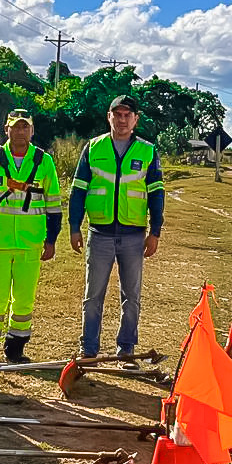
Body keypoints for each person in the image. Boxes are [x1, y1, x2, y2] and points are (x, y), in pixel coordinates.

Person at [69, 94, 165, 359]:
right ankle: (88, 350)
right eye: (117, 114)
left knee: (131, 298)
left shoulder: (147, 151)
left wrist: (155, 231)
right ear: (109, 116)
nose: (122, 120)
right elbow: (78, 190)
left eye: (127, 115)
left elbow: (157, 193)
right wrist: (74, 226)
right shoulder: (93, 147)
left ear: (135, 119)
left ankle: (126, 350)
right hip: (99, 234)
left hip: (134, 236)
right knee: (92, 298)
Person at [0, 108, 63, 365]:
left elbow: (53, 205)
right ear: (6, 129)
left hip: (30, 244)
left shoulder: (43, 162)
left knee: (23, 300)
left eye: (25, 127)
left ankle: (16, 347)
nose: (20, 131)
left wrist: (51, 240)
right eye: (15, 127)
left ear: (32, 130)